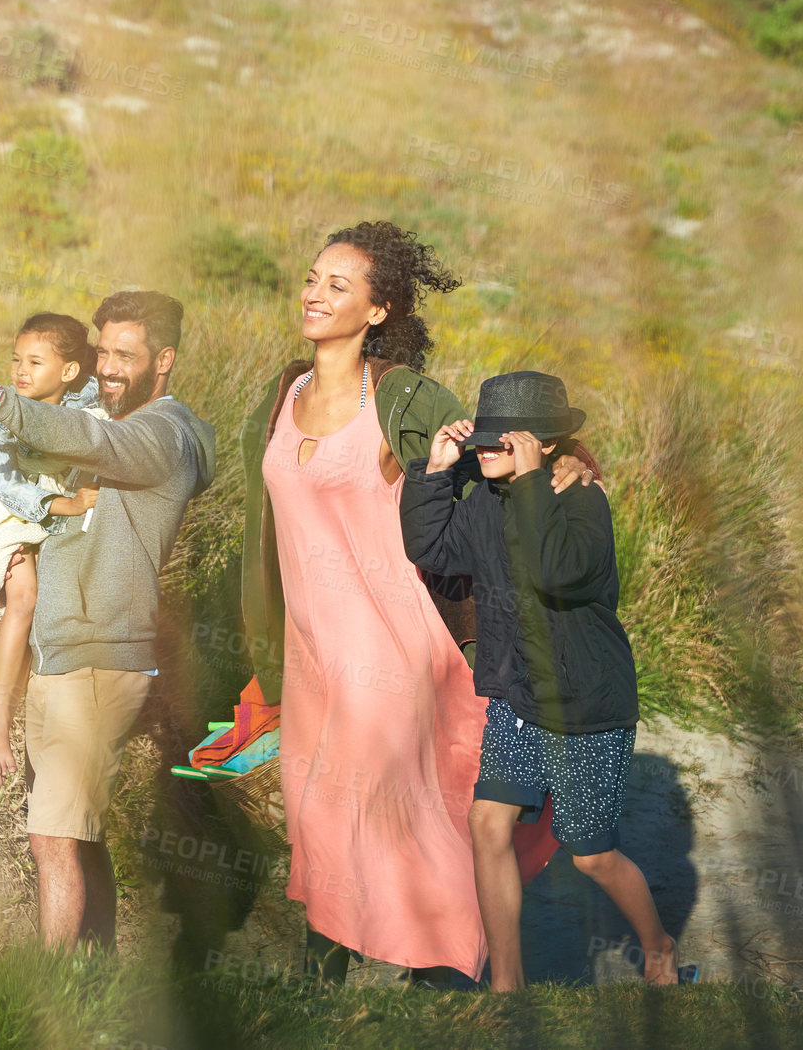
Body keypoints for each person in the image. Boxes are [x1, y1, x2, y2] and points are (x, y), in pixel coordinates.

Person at [238, 221, 596, 985]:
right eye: (312, 278)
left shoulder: (402, 395)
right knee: (315, 799)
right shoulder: (281, 392)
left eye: (338, 285)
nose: (314, 293)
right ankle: (335, 948)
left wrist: (571, 465)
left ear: (378, 310)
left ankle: (441, 959)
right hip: (308, 645)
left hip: (388, 641)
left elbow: (501, 439)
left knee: (388, 801)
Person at [0, 291, 215, 951]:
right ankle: (92, 972)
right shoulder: (103, 409)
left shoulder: (159, 434)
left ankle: (56, 1002)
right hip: (59, 657)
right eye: (101, 351)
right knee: (72, 833)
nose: (108, 367)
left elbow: (86, 437)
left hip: (100, 663)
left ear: (162, 361)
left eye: (125, 355)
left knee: (52, 836)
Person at [399, 370, 684, 991]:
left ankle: (658, 949)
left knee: (593, 856)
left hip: (587, 705)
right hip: (518, 698)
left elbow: (557, 570)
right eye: (484, 439)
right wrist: (437, 471)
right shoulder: (486, 501)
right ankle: (507, 986)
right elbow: (433, 551)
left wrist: (531, 482)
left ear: (545, 444)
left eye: (506, 440)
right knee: (487, 823)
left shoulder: (583, 502)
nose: (488, 449)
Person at [0, 313, 104, 789]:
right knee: (25, 597)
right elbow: (9, 488)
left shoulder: (88, 400)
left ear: (70, 372)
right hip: (0, 513)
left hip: (50, 505)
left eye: (36, 362)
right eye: (17, 359)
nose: (21, 370)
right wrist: (70, 502)